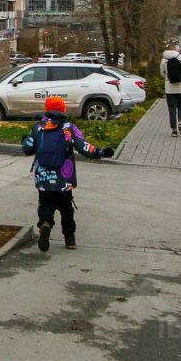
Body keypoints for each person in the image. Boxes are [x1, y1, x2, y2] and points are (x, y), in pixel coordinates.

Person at [21, 96, 114, 252]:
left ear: (47, 110)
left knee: (45, 204)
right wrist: (101, 152)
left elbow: (27, 149)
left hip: (44, 178)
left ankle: (45, 223)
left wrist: (24, 140)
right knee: (66, 209)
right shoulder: (69, 128)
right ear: (63, 109)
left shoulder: (38, 128)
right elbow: (83, 147)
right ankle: (69, 239)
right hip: (65, 179)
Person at [160, 44, 181, 137]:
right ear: (176, 50)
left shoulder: (164, 60)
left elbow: (162, 73)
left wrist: (168, 77)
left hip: (170, 89)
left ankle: (174, 130)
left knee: (172, 109)